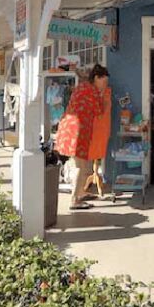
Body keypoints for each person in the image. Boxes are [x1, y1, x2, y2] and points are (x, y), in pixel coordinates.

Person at [54, 64, 110, 210]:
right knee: (81, 166)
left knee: (81, 165)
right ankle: (74, 200)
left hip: (68, 129)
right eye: (104, 81)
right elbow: (100, 111)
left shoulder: (81, 87)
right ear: (97, 78)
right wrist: (105, 97)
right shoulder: (92, 91)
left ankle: (80, 193)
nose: (105, 84)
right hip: (78, 132)